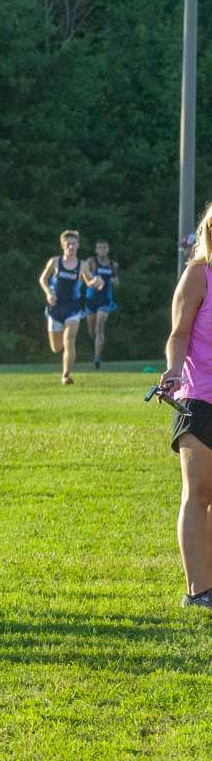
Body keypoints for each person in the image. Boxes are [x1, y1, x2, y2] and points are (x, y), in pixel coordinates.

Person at [160, 202, 212, 610]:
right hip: (200, 397)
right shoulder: (198, 274)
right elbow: (178, 334)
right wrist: (174, 371)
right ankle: (198, 591)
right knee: (198, 494)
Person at [38, 230, 99, 385]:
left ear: (78, 245)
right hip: (55, 308)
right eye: (68, 244)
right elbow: (43, 279)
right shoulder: (55, 262)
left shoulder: (82, 265)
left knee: (69, 341)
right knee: (56, 347)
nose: (71, 247)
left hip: (73, 308)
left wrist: (97, 282)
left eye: (74, 244)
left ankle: (66, 375)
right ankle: (64, 360)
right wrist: (48, 293)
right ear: (62, 245)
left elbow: (89, 281)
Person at [84, 239, 119, 370]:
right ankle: (94, 344)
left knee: (100, 328)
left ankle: (97, 359)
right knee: (91, 331)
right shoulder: (91, 262)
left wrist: (114, 280)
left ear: (108, 249)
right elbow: (83, 276)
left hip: (105, 300)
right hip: (91, 298)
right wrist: (93, 280)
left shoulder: (113, 265)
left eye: (104, 247)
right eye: (100, 248)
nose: (102, 250)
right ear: (96, 250)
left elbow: (117, 282)